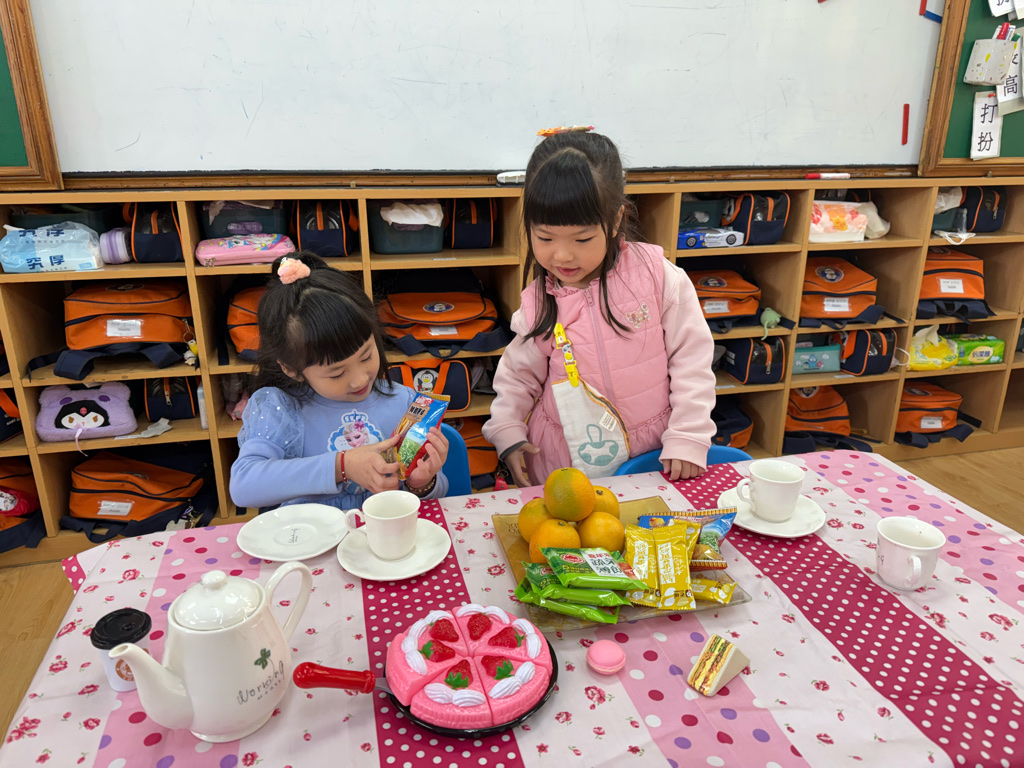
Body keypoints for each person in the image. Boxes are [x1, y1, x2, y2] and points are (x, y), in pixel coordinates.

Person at [483, 131, 716, 486]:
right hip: (565, 465)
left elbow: (692, 361)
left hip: (652, 455)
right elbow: (518, 377)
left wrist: (688, 434)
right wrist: (508, 432)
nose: (562, 255)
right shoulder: (538, 303)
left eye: (582, 239)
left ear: (616, 219)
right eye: (544, 237)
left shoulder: (657, 276)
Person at [230, 253, 449, 510]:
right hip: (314, 534)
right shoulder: (282, 410)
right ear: (291, 369)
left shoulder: (405, 402)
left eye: (366, 356)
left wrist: (421, 483)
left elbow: (432, 497)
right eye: (336, 373)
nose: (360, 379)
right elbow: (244, 486)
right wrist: (342, 465)